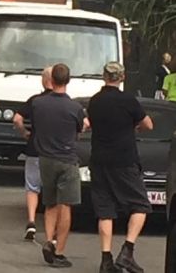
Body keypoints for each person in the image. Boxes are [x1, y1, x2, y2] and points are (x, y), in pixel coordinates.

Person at [87, 62, 153, 273]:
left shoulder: (95, 101)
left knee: (105, 209)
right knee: (140, 205)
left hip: (99, 159)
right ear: (122, 77)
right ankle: (127, 251)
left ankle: (106, 259)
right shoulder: (128, 100)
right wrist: (133, 126)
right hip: (124, 160)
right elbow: (148, 124)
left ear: (103, 76)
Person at [31, 63, 86, 268]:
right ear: (68, 80)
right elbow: (81, 128)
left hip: (45, 158)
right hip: (67, 159)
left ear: (50, 80)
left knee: (50, 203)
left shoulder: (38, 104)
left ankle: (48, 241)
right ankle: (59, 251)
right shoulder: (74, 107)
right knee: (66, 206)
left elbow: (34, 126)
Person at [12, 66, 53, 241]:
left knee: (32, 187)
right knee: (52, 191)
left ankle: (31, 221)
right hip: (55, 152)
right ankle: (52, 230)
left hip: (35, 148)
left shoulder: (34, 101)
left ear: (43, 81)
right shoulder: (66, 102)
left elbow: (17, 119)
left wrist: (24, 133)